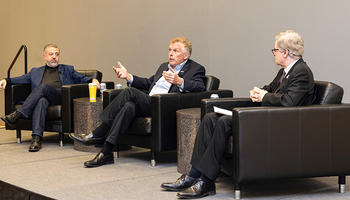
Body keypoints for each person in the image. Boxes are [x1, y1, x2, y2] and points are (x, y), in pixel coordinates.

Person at [160, 30, 315, 199]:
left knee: (224, 122)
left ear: (285, 52)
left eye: (275, 51)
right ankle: (193, 174)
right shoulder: (285, 71)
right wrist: (260, 92)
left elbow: (289, 102)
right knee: (211, 117)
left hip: (281, 125)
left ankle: (206, 181)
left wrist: (265, 97)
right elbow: (271, 89)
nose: (274, 54)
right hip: (268, 116)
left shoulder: (301, 72)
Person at [69, 37, 206, 168]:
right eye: (169, 50)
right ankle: (106, 152)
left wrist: (180, 81)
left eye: (175, 51)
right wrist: (128, 76)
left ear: (186, 55)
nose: (170, 54)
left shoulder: (195, 68)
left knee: (130, 92)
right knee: (129, 106)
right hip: (149, 102)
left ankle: (99, 132)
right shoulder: (164, 66)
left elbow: (200, 86)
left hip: (164, 107)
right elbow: (148, 83)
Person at [0, 44, 100, 152]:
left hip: (61, 97)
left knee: (43, 87)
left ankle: (19, 114)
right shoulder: (35, 71)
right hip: (45, 99)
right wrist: (6, 80)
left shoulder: (68, 69)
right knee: (41, 101)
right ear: (44, 56)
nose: (54, 57)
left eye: (57, 54)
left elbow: (82, 78)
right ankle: (36, 139)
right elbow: (20, 79)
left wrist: (93, 80)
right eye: (51, 54)